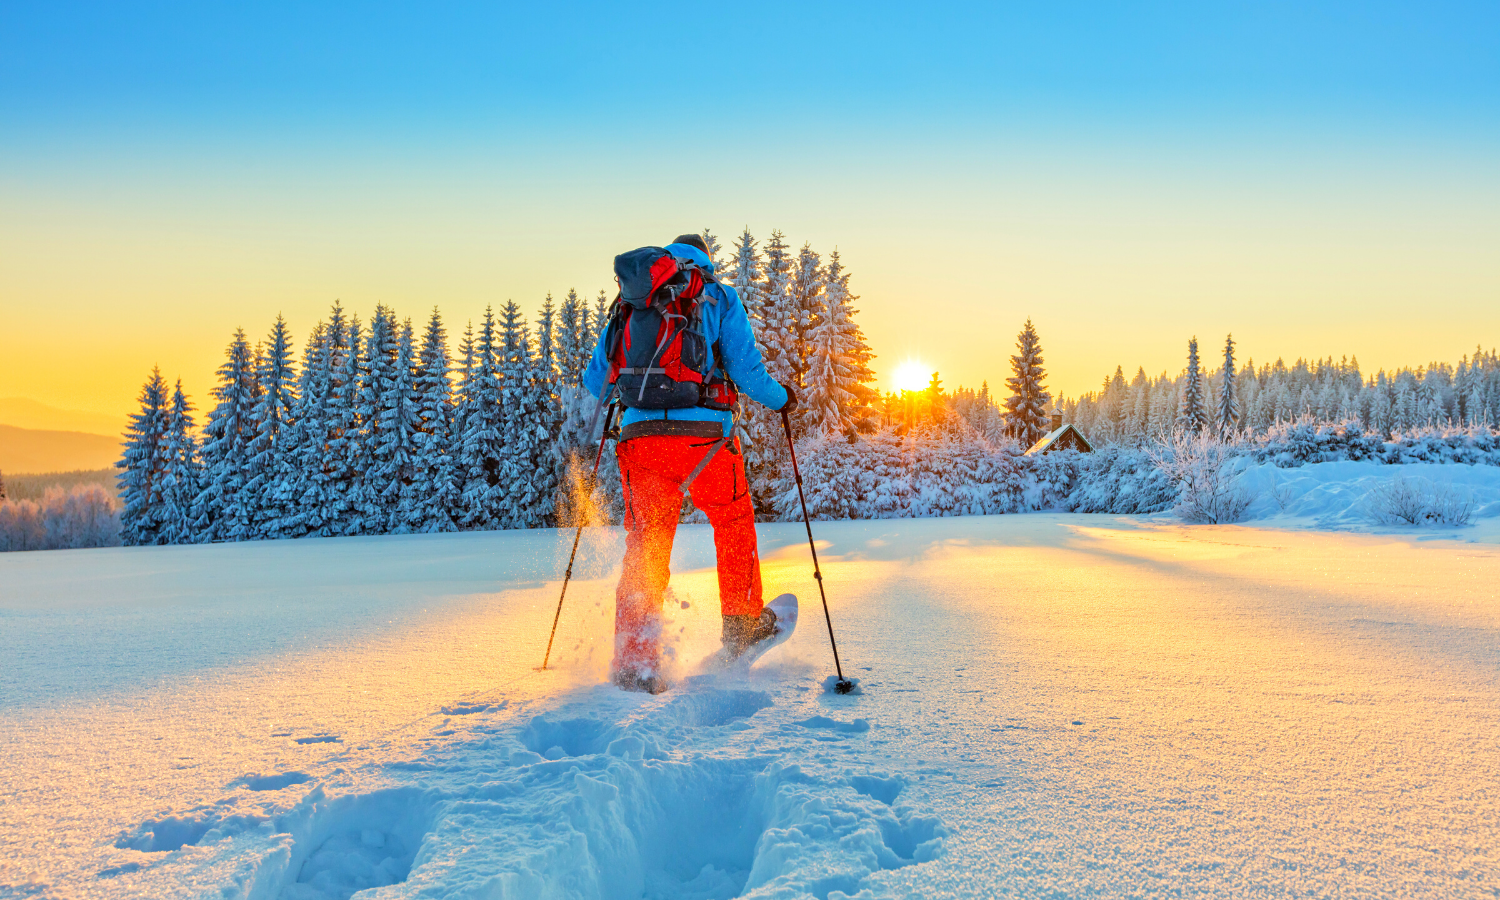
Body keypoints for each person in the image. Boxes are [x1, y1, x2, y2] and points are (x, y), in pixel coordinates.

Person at [582, 234, 795, 693]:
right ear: (705, 259)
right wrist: (783, 400)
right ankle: (741, 625)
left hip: (640, 443)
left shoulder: (630, 303)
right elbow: (746, 372)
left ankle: (635, 661)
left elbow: (596, 378)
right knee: (732, 520)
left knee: (646, 544)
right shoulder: (716, 294)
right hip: (705, 441)